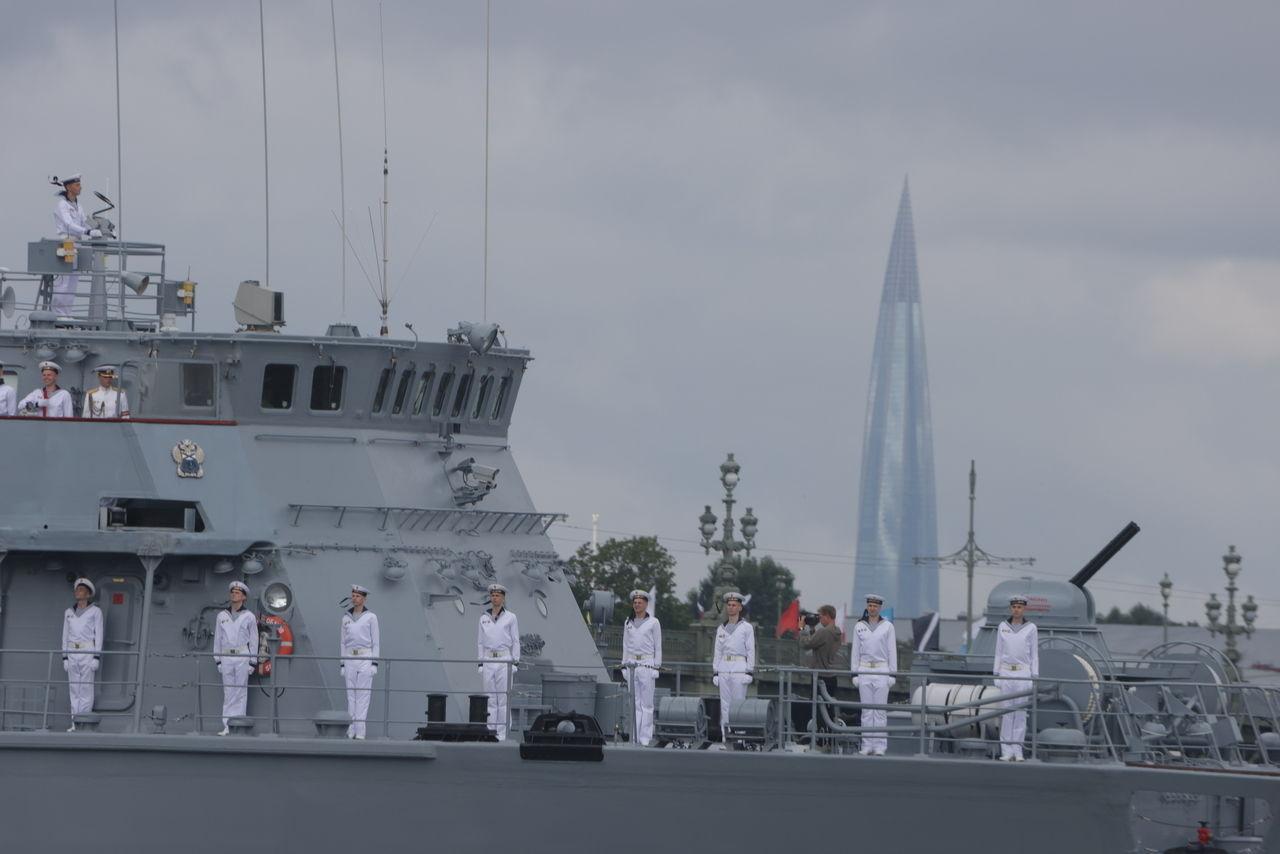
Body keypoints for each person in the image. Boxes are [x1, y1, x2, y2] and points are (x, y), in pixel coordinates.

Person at [993, 594, 1039, 761]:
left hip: (1023, 673)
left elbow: (1034, 654)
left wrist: (1034, 676)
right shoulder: (1002, 626)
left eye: (1019, 607)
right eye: (1014, 607)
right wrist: (996, 674)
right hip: (1006, 672)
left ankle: (1017, 750)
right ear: (1010, 608)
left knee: (1020, 713)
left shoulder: (1031, 628)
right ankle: (1006, 751)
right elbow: (998, 651)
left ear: (1024, 608)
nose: (1016, 610)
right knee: (1006, 713)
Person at [50, 173, 101, 317]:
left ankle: (67, 313)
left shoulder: (78, 205)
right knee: (64, 281)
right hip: (67, 243)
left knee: (73, 281)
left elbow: (85, 221)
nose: (80, 187)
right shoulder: (62, 205)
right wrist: (88, 231)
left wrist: (100, 227)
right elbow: (68, 224)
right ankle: (58, 314)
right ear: (68, 187)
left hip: (77, 244)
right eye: (77, 185)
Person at [851, 594, 896, 756]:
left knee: (880, 711)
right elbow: (855, 652)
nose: (872, 608)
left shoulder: (888, 626)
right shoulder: (859, 626)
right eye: (870, 605)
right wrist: (854, 673)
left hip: (882, 669)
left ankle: (880, 746)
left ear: (880, 608)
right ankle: (867, 745)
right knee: (866, 711)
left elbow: (892, 651)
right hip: (864, 669)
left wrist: (892, 674)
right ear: (867, 606)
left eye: (875, 606)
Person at [213, 580, 258, 735]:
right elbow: (218, 639)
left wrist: (252, 662)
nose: (234, 595)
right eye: (232, 592)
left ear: (244, 597)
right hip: (226, 656)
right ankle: (227, 725)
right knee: (228, 692)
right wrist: (218, 659)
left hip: (242, 656)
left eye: (237, 593)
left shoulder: (249, 616)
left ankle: (239, 724)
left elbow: (254, 640)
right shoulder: (221, 616)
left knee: (240, 691)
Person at [476, 583, 520, 741]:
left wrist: (515, 662)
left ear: (503, 598)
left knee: (503, 699)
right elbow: (480, 642)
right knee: (490, 699)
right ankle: (490, 731)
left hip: (504, 660)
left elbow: (515, 640)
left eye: (498, 595)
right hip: (488, 660)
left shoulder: (511, 617)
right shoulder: (483, 618)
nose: (495, 598)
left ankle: (502, 734)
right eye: (493, 595)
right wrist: (480, 663)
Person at [61, 577, 104, 731]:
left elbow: (99, 635)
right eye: (77, 590)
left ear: (88, 594)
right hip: (72, 652)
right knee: (74, 689)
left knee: (86, 688)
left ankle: (84, 723)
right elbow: (65, 636)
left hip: (87, 651)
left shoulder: (95, 612)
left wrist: (96, 657)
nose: (78, 592)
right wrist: (65, 657)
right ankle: (74, 723)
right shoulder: (68, 612)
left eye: (81, 590)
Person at [712, 591, 755, 741]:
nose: (731, 607)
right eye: (729, 605)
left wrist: (749, 671)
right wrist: (715, 672)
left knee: (738, 704)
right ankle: (726, 737)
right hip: (724, 666)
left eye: (734, 605)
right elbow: (717, 651)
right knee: (725, 704)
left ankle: (739, 737)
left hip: (739, 666)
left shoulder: (746, 627)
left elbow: (751, 650)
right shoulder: (721, 628)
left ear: (740, 608)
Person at [622, 589, 662, 747]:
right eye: (635, 602)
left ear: (646, 604)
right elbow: (625, 645)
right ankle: (634, 735)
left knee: (647, 704)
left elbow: (658, 646)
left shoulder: (653, 622)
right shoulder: (628, 622)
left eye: (640, 602)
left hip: (646, 664)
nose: (637, 605)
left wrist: (656, 666)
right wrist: (624, 665)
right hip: (632, 664)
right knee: (634, 703)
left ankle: (645, 736)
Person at [341, 583, 381, 740]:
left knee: (363, 696)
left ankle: (360, 731)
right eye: (353, 595)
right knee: (351, 695)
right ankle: (350, 729)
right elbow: (343, 643)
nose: (354, 598)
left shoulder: (371, 617)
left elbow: (376, 642)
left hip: (365, 657)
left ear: (364, 599)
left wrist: (374, 663)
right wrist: (342, 663)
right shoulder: (346, 618)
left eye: (358, 596)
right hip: (350, 658)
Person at [797, 604, 842, 738]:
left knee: (818, 709)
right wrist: (812, 628)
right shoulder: (836, 631)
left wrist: (801, 628)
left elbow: (805, 644)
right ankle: (829, 737)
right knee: (828, 709)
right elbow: (817, 643)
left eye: (821, 616)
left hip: (820, 676)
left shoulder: (824, 632)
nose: (819, 619)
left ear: (827, 616)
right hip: (831, 676)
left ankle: (821, 739)